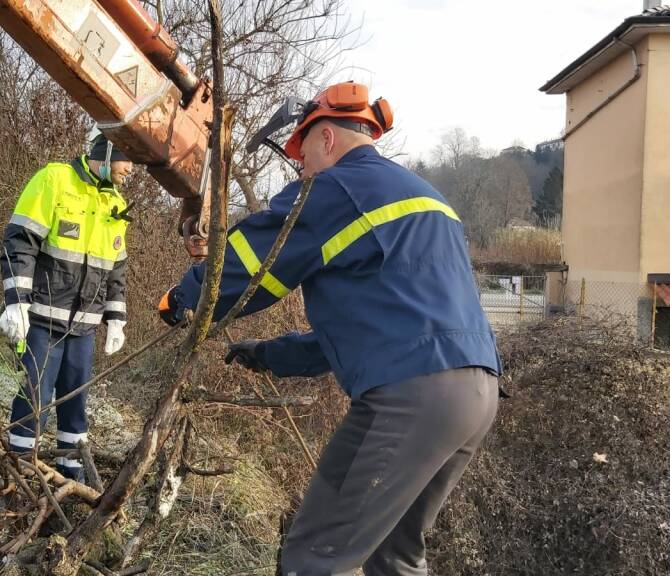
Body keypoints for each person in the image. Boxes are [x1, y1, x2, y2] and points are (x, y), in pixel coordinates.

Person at [158, 82, 501, 575]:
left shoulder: (338, 187)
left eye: (303, 156)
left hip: (412, 397)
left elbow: (256, 260)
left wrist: (185, 299)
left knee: (315, 556)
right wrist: (270, 355)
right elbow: (381, 330)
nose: (302, 170)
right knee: (396, 555)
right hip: (474, 393)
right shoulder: (428, 199)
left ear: (326, 139)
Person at [0, 132, 133, 481]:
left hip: (84, 328)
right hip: (42, 321)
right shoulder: (54, 180)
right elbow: (20, 241)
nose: (130, 169)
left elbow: (116, 269)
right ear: (106, 153)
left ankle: (72, 478)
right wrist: (16, 302)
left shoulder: (115, 204)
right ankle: (21, 475)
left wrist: (116, 318)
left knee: (76, 404)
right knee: (35, 399)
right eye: (126, 160)